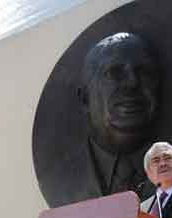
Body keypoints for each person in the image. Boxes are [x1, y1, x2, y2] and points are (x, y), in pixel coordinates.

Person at [56, 32, 161, 206]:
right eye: (114, 73)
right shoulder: (62, 177)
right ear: (85, 98)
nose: (133, 82)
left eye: (144, 72)